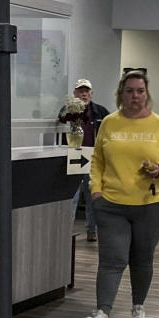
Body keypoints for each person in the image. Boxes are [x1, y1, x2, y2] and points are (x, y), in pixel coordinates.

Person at [83, 70, 159, 318]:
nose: (135, 96)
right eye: (130, 91)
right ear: (121, 94)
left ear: (146, 94)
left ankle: (138, 307)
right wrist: (96, 193)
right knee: (111, 260)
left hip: (150, 206)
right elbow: (97, 162)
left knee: (141, 259)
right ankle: (102, 313)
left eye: (140, 91)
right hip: (111, 205)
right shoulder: (109, 123)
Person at [58, 78, 110, 243]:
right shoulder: (67, 110)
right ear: (75, 93)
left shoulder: (101, 112)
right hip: (73, 158)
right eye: (80, 91)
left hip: (93, 159)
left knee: (92, 196)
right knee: (72, 196)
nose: (84, 94)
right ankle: (67, 229)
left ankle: (91, 231)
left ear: (91, 94)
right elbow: (59, 125)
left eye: (86, 91)